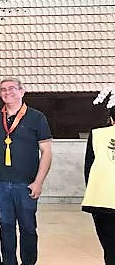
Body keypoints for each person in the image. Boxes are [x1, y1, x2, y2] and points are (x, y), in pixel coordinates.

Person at [0, 77, 52, 265]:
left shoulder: (37, 117)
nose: (7, 92)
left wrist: (38, 182)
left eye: (12, 89)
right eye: (3, 90)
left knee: (28, 228)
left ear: (22, 91)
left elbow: (46, 152)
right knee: (5, 227)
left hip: (26, 183)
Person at [83, 106, 115, 265]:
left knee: (110, 247)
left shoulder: (97, 135)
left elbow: (88, 168)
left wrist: (92, 192)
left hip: (102, 200)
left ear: (111, 120)